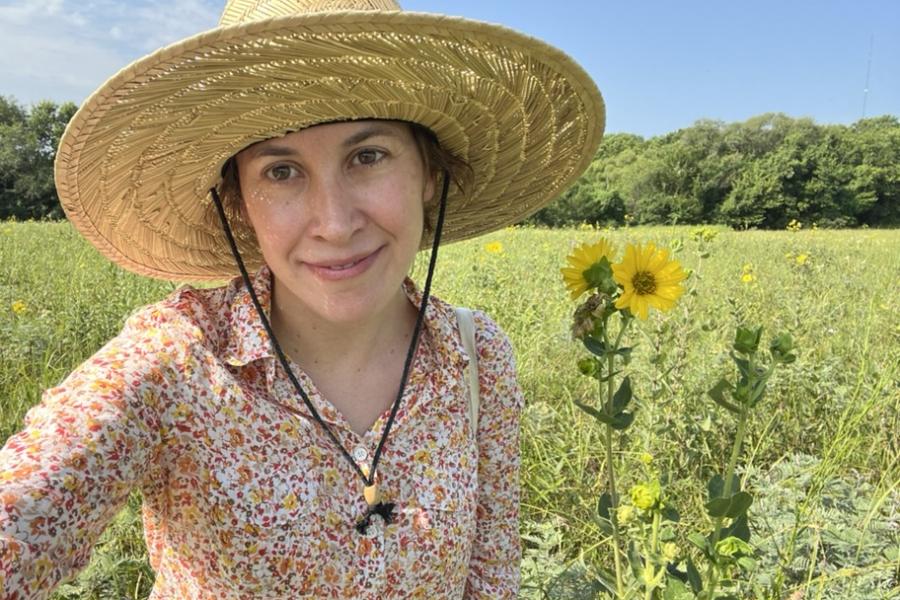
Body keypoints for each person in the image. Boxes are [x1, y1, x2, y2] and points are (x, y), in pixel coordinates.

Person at [0, 0, 605, 598]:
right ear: (236, 198)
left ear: (428, 173)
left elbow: (490, 580)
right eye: (281, 172)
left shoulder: (478, 357)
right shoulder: (176, 363)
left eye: (368, 156)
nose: (335, 224)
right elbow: (23, 510)